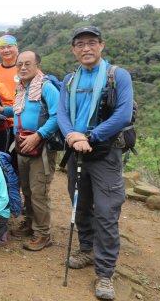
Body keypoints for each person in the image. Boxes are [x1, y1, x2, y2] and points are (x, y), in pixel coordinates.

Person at [57, 26, 133, 301]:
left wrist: (91, 136)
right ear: (73, 50)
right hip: (77, 150)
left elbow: (123, 114)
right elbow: (62, 113)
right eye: (80, 44)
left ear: (101, 45)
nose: (85, 48)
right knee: (80, 206)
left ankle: (105, 272)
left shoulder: (117, 75)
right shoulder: (69, 80)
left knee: (106, 211)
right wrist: (71, 136)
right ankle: (86, 249)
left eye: (91, 43)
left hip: (105, 153)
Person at [0, 51, 59, 251]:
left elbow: (57, 116)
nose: (22, 67)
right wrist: (4, 110)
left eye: (27, 64)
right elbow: (20, 110)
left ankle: (43, 234)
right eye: (19, 64)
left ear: (37, 65)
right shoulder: (22, 88)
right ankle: (30, 223)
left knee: (39, 191)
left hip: (41, 147)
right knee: (27, 189)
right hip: (22, 145)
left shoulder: (47, 88)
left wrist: (38, 135)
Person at [0, 34, 20, 108]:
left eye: (9, 46)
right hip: (2, 116)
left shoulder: (26, 68)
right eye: (2, 48)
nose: (6, 50)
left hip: (24, 115)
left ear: (16, 48)